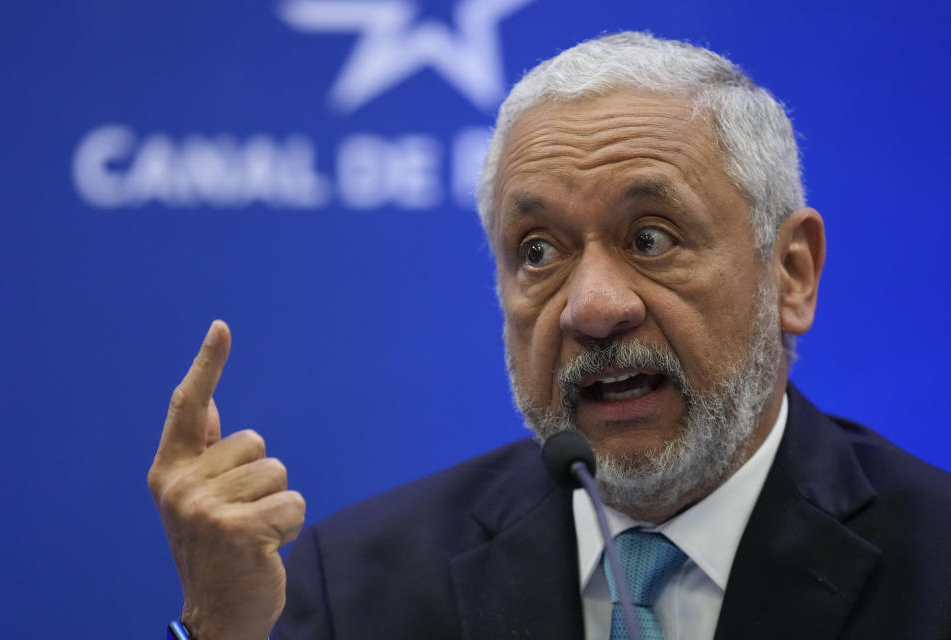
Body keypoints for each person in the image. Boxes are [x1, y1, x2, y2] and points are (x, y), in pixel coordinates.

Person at [148, 32, 951, 640]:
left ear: (792, 273)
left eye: (651, 238)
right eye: (538, 252)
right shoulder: (360, 585)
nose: (592, 308)